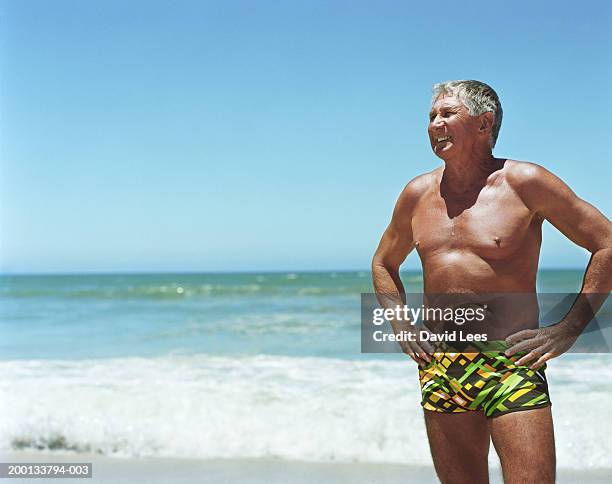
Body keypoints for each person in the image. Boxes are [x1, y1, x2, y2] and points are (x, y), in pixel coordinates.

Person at [371, 80, 611, 484]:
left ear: (485, 123)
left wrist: (570, 329)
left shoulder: (525, 182)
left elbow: (606, 244)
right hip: (441, 365)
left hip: (511, 363)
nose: (435, 124)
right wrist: (401, 323)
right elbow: (383, 263)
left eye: (448, 114)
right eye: (431, 116)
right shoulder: (416, 194)